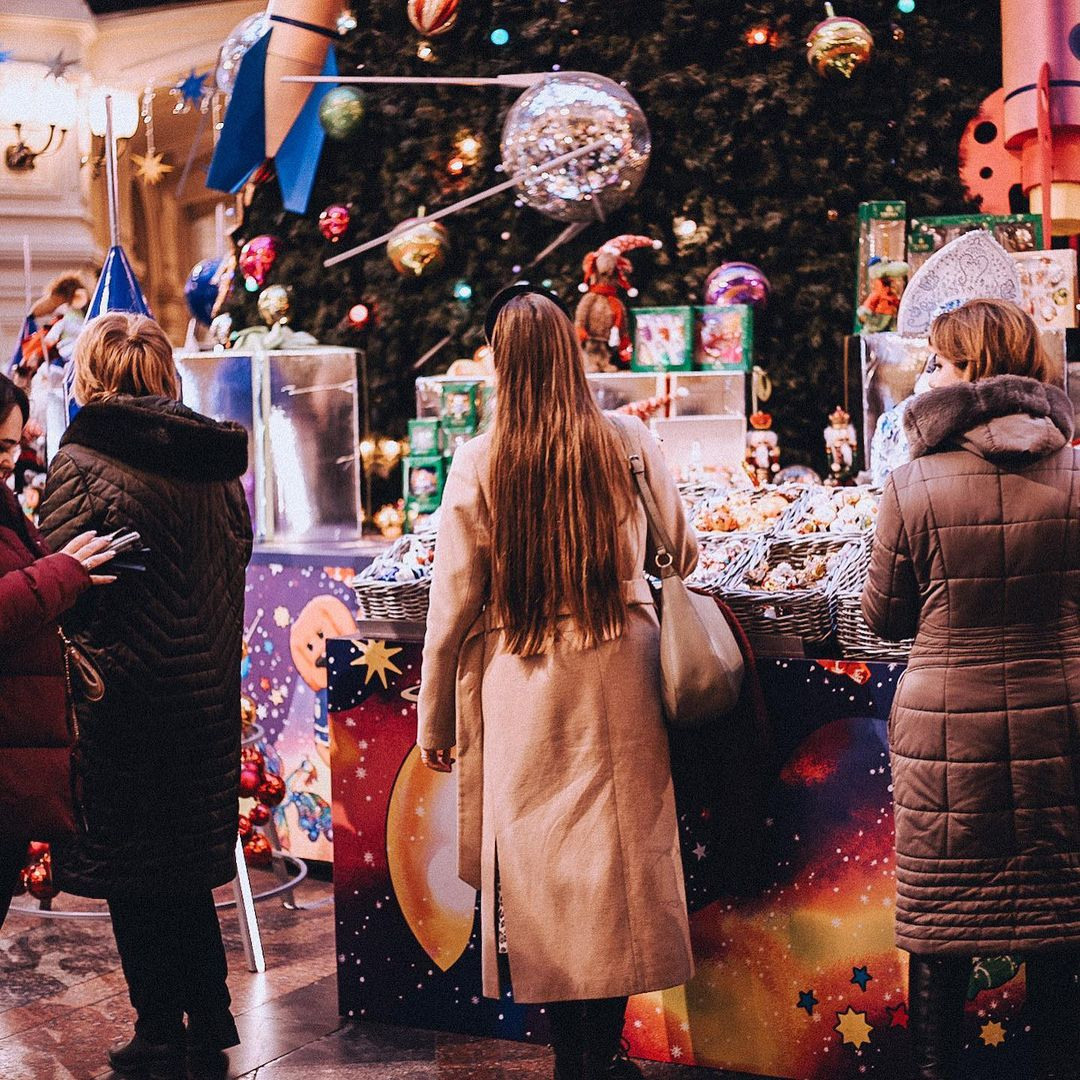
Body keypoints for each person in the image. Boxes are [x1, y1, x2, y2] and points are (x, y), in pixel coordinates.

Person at [417, 287, 697, 1080]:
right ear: (574, 353)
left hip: (521, 683)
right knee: (619, 869)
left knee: (546, 875)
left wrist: (435, 720)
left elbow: (451, 606)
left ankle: (573, 1055)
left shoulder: (479, 460)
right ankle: (604, 1053)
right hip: (622, 675)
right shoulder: (630, 441)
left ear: (501, 365)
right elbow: (683, 551)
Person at [862, 298, 1080, 1080]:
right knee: (1062, 922)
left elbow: (883, 616)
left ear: (974, 371)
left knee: (941, 922)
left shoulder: (912, 482)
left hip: (944, 729)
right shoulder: (1078, 472)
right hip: (1062, 721)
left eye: (942, 362)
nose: (930, 375)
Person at [37, 313, 253, 1080]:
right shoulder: (217, 461)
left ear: (91, 376)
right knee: (186, 866)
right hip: (203, 700)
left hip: (121, 701)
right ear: (164, 372)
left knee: (135, 874)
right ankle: (212, 1014)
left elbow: (61, 589)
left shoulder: (84, 463)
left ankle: (159, 1028)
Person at [0, 374, 117, 927]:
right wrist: (61, 572)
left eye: (16, 445)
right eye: (1, 446)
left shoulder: (5, 502)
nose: (12, 460)